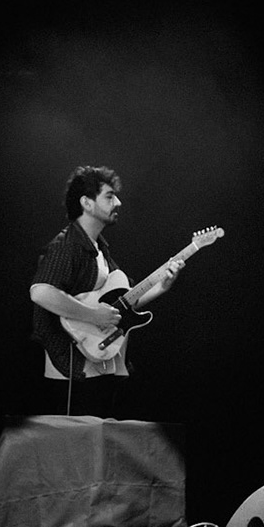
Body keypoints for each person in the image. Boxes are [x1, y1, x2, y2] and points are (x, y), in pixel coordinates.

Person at [27, 165, 183, 416]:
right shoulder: (67, 246)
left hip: (98, 361)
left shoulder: (99, 248)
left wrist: (162, 287)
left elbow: (121, 305)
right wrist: (93, 316)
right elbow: (40, 292)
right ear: (87, 203)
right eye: (109, 196)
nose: (118, 202)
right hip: (71, 367)